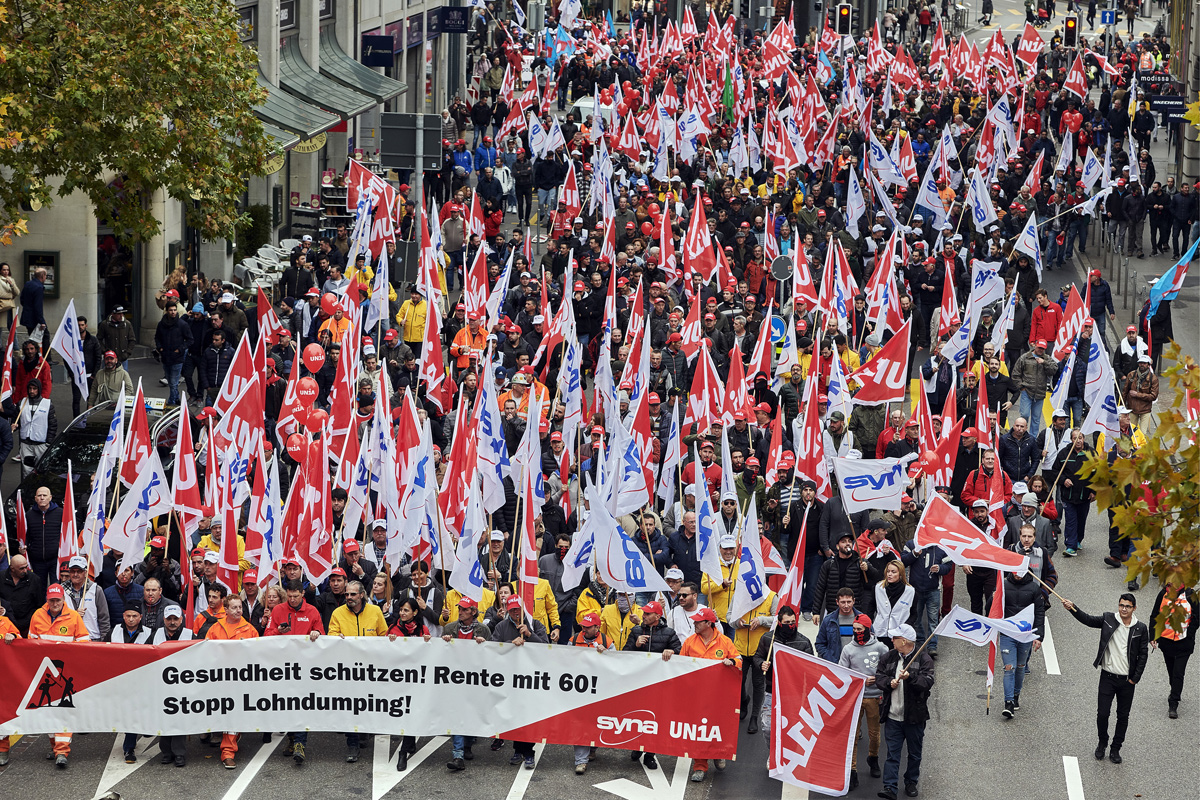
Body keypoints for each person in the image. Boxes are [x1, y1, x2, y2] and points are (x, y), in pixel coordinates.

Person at [1061, 593, 1150, 764]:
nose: (1124, 609)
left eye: (1128, 606)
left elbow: (1143, 654)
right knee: (1102, 713)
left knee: (1123, 716)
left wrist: (1135, 678)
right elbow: (1087, 619)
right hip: (1107, 677)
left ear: (1134, 608)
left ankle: (1116, 748)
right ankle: (1102, 742)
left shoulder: (1140, 628)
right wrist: (1073, 608)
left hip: (1127, 681)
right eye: (1121, 605)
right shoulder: (1108, 619)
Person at [27, 583, 90, 767]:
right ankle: (56, 748)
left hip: (65, 673)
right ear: (47, 600)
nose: (55, 603)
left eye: (58, 600)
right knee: (48, 712)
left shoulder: (74, 617)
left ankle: (62, 751)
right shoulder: (37, 616)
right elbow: (31, 643)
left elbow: (85, 642)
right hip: (44, 674)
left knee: (63, 712)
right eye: (51, 600)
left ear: (63, 600)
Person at [874, 623, 935, 800]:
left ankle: (911, 782)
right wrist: (888, 683)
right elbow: (879, 676)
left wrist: (911, 677)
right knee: (892, 754)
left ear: (904, 641)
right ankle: (890, 787)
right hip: (893, 716)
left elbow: (927, 683)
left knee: (914, 753)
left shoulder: (924, 659)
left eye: (895, 638)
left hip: (914, 717)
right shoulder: (888, 657)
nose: (891, 640)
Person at [679, 606, 740, 782]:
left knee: (717, 727)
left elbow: (739, 661)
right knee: (699, 729)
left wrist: (732, 662)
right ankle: (700, 766)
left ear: (709, 623)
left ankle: (718, 753)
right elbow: (680, 666)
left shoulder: (725, 642)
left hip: (719, 696)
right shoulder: (689, 642)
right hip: (696, 696)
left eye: (698, 621)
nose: (694, 623)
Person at [205, 595, 258, 769]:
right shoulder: (214, 629)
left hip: (241, 681)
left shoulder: (250, 630)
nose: (238, 610)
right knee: (227, 714)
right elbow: (205, 653)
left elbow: (257, 655)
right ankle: (231, 738)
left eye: (240, 607)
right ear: (225, 610)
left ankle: (228, 752)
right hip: (219, 680)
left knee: (233, 715)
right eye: (234, 608)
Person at [838, 613, 888, 790]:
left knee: (874, 734)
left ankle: (873, 758)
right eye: (854, 629)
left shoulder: (881, 648)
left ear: (868, 629)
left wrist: (880, 681)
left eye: (859, 629)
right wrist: (860, 681)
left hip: (875, 697)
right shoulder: (848, 650)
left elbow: (887, 669)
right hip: (856, 697)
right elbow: (842, 674)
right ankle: (852, 772)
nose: (856, 632)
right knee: (853, 735)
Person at [443, 597, 491, 772]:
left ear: (473, 612)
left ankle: (468, 744)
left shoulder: (484, 630)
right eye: (459, 609)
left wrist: (484, 645)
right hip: (455, 680)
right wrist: (444, 642)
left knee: (471, 713)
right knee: (458, 715)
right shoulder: (449, 628)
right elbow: (439, 653)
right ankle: (458, 755)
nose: (460, 612)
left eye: (464, 609)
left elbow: (492, 655)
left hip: (475, 680)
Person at [753, 605, 814, 742]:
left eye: (793, 622)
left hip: (794, 693)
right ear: (779, 623)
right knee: (768, 728)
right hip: (772, 691)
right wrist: (761, 664)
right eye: (787, 623)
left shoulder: (803, 642)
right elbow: (757, 657)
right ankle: (773, 755)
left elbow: (811, 667)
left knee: (793, 730)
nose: (790, 626)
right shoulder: (768, 638)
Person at [1148, 583, 1197, 720]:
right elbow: (1154, 615)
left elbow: (1197, 618)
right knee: (1172, 673)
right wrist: (1153, 636)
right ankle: (1175, 689)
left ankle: (1173, 703)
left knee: (1178, 673)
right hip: (1167, 642)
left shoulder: (1190, 595)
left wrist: (1189, 633)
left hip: (1184, 644)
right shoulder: (1163, 594)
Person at [14, 377, 56, 477]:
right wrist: (14, 426)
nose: (32, 391)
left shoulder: (48, 404)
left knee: (42, 470)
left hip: (41, 444)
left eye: (34, 389)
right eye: (30, 389)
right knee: (27, 471)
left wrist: (48, 443)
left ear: (39, 389)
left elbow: (53, 425)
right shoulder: (22, 403)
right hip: (26, 444)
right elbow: (16, 421)